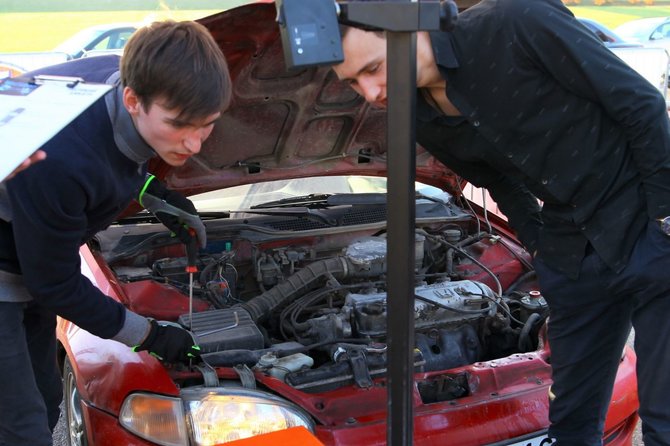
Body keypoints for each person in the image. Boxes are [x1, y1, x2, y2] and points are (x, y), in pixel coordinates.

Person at [332, 0, 670, 444]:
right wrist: (541, 248)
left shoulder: (516, 23)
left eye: (375, 67)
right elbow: (499, 181)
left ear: (410, 26)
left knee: (664, 418)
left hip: (645, 222)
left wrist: (664, 218)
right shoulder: (415, 115)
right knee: (570, 424)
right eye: (353, 81)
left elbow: (640, 104)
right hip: (570, 249)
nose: (371, 92)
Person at [0, 20, 231, 445]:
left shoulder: (122, 72)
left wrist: (151, 191)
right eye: (180, 125)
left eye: (208, 124)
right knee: (20, 428)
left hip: (32, 254)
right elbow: (55, 284)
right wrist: (150, 335)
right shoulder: (62, 159)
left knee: (47, 395)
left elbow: (120, 152)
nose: (195, 144)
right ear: (132, 100)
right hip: (10, 273)